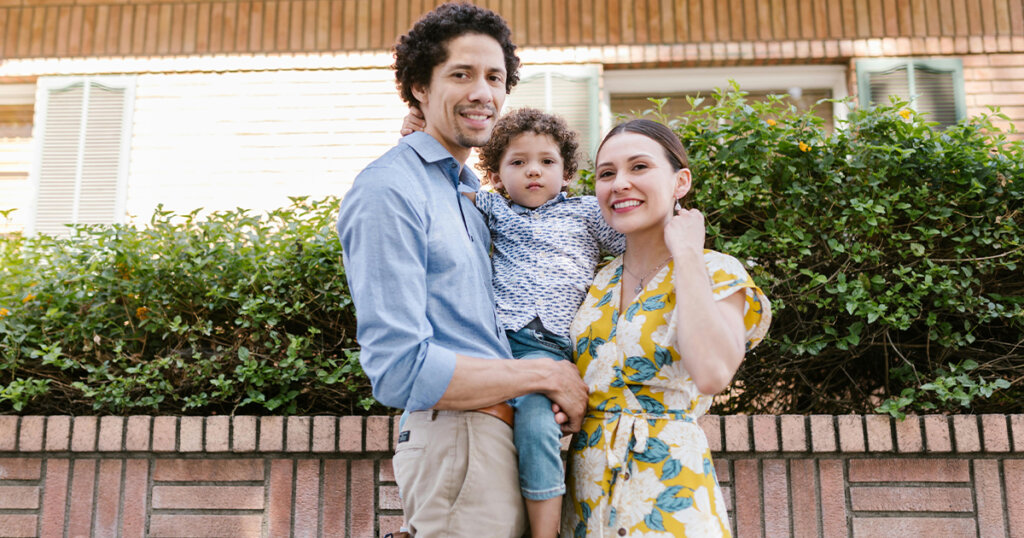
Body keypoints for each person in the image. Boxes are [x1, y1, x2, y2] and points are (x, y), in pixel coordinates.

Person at [335, 4, 587, 537]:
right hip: (460, 444)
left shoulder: (466, 190)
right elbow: (400, 368)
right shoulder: (389, 189)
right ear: (419, 88)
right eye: (461, 75)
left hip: (499, 442)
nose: (483, 93)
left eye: (494, 78)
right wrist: (545, 374)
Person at [563, 119, 771, 537]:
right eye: (607, 173)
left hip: (671, 499)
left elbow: (713, 373)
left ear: (680, 182)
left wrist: (688, 254)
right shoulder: (596, 280)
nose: (620, 183)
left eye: (639, 167)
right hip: (584, 503)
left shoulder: (716, 270)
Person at [466, 108, 624, 537]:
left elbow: (636, 239)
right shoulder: (493, 207)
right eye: (517, 163)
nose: (533, 171)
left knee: (537, 427)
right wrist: (415, 132)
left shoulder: (588, 212)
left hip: (552, 349)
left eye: (546, 161)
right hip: (498, 344)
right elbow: (448, 182)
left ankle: (545, 532)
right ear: (497, 174)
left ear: (567, 171)